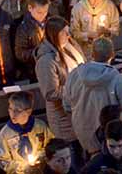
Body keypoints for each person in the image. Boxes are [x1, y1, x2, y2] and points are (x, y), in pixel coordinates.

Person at [63, 36, 122, 154]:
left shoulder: (73, 75)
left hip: (86, 138)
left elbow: (67, 106)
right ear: (112, 55)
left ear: (92, 54)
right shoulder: (120, 80)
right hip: (115, 142)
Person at [35, 17, 84, 147]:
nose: (68, 35)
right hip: (63, 117)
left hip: (78, 110)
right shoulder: (46, 61)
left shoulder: (70, 46)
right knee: (72, 152)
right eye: (64, 33)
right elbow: (51, 92)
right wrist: (76, 88)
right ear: (54, 34)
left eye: (68, 31)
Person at [0, 91, 54, 173]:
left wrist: (39, 158)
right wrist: (21, 168)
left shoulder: (40, 127)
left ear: (28, 112)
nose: (13, 114)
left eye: (17, 110)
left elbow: (51, 145)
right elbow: (2, 159)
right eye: (10, 109)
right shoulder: (5, 134)